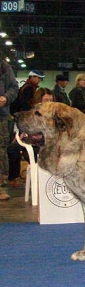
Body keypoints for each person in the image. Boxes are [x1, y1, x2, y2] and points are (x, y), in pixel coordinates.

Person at [0, 60, 19, 200]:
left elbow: (14, 88)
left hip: (1, 116)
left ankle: (1, 188)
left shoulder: (5, 67)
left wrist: (6, 98)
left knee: (1, 152)